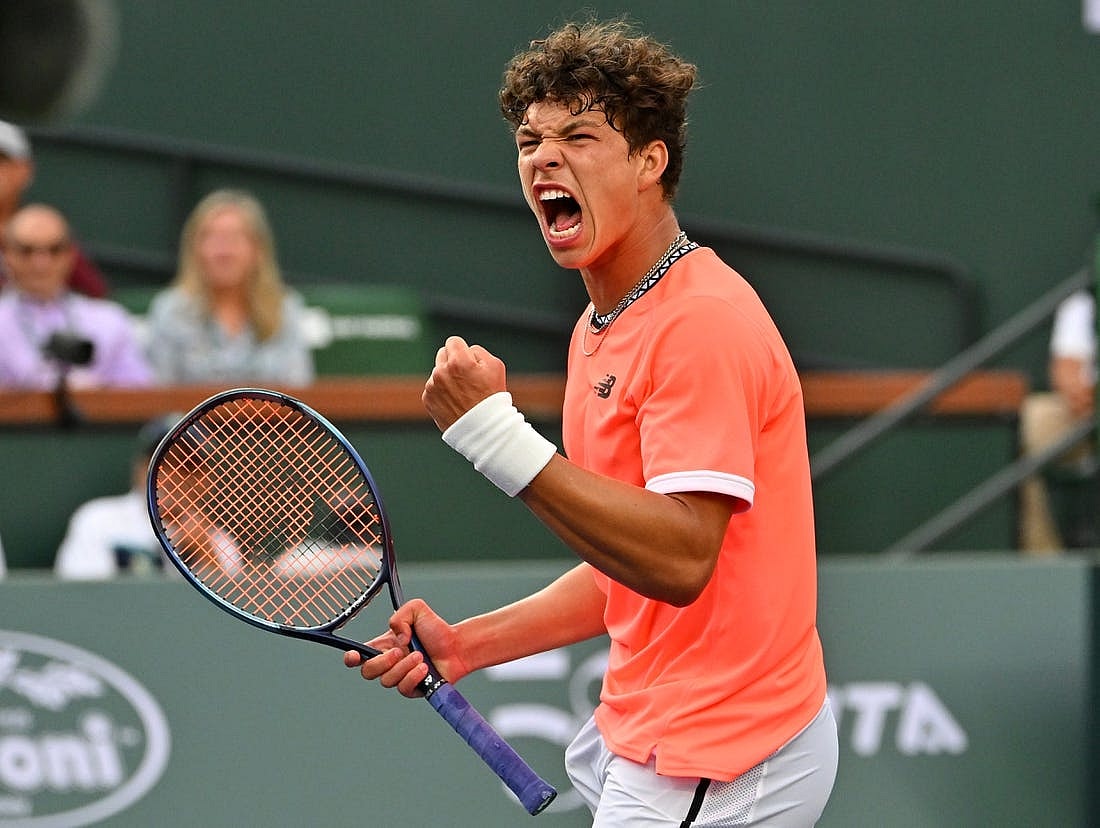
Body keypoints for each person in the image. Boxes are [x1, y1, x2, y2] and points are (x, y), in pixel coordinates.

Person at [344, 19, 837, 826]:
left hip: (722, 752)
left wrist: (494, 437)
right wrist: (470, 645)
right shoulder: (601, 328)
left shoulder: (700, 323)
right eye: (530, 141)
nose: (544, 157)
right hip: (660, 731)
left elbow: (681, 558)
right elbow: (626, 567)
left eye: (578, 136)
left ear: (650, 161)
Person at [145, 188, 314, 386]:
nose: (223, 251)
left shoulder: (284, 308)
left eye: (234, 238)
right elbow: (159, 396)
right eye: (211, 238)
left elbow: (298, 390)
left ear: (258, 249)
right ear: (194, 249)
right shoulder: (170, 310)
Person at [0, 203, 154, 390]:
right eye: (26, 251)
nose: (41, 263)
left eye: (54, 250)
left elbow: (139, 393)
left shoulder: (110, 320)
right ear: (7, 255)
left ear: (71, 254)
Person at [54, 413, 182, 579]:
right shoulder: (97, 520)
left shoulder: (213, 540)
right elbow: (79, 591)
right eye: (161, 462)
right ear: (140, 467)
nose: (173, 476)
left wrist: (205, 556)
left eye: (187, 466)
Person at [1018, 286, 1096, 553]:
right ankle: (1043, 561)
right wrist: (1084, 397)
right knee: (1032, 418)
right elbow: (1068, 374)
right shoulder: (1085, 301)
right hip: (1086, 420)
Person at [0, 119, 109, 297]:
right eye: (26, 250)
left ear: (24, 169)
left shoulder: (44, 231)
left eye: (0, 160)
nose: (40, 262)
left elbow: (94, 294)